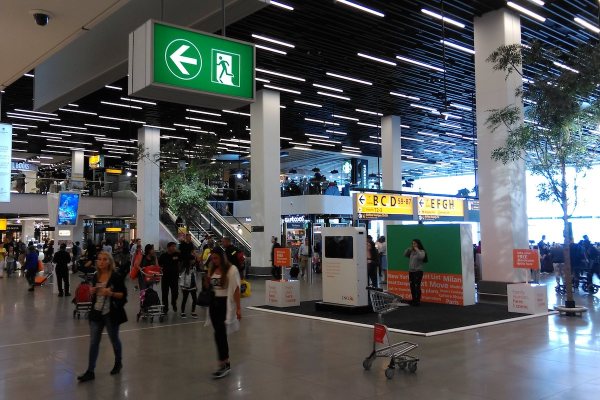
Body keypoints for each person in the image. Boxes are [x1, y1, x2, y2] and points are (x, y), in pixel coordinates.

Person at [77, 251, 128, 382]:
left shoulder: (116, 277)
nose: (101, 262)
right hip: (96, 313)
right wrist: (92, 291)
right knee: (94, 342)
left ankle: (118, 362)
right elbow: (94, 295)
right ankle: (90, 370)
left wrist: (110, 293)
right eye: (99, 259)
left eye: (105, 259)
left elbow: (123, 295)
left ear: (110, 262)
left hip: (111, 314)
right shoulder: (96, 276)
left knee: (114, 339)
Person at [205, 247, 241, 379]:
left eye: (216, 258)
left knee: (220, 334)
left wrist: (238, 308)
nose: (214, 261)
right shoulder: (212, 268)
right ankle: (224, 362)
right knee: (218, 334)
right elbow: (209, 286)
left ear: (222, 257)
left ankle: (224, 363)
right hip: (213, 304)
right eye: (212, 258)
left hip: (224, 304)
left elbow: (236, 289)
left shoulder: (232, 270)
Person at [158, 242, 180, 313]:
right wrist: (160, 270)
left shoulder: (177, 255)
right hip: (165, 278)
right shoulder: (163, 256)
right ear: (168, 247)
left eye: (175, 246)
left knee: (175, 293)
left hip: (174, 278)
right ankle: (165, 308)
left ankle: (173, 303)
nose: (174, 248)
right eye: (172, 246)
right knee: (165, 294)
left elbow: (184, 259)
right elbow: (159, 264)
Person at [404, 239, 427, 306]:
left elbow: (421, 257)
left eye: (415, 243)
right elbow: (405, 254)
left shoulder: (422, 251)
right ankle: (413, 299)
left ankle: (417, 301)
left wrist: (417, 249)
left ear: (418, 244)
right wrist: (408, 249)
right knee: (412, 286)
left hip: (418, 271)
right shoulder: (412, 252)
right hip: (411, 271)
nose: (413, 245)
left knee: (417, 286)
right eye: (413, 243)